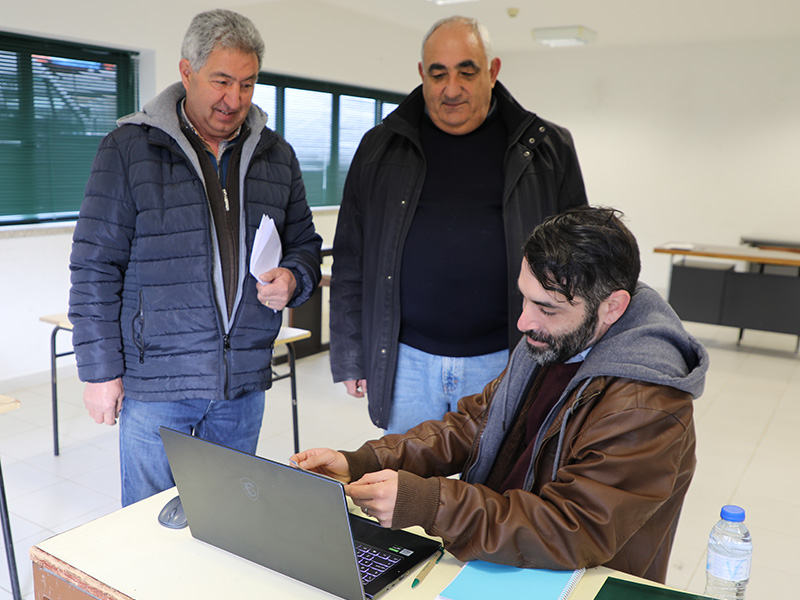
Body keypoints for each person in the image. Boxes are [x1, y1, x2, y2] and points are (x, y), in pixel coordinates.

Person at [294, 206, 708, 583]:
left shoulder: (648, 403)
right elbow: (473, 424)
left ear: (613, 307)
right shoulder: (555, 342)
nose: (525, 321)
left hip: (577, 580)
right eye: (524, 298)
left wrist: (428, 503)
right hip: (503, 552)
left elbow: (575, 528)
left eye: (547, 308)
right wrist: (361, 461)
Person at [69, 9, 322, 506]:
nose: (235, 99)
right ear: (187, 73)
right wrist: (99, 372)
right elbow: (95, 266)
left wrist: (294, 278)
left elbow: (306, 244)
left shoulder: (277, 155)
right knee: (147, 529)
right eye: (222, 81)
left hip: (243, 385)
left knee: (226, 525)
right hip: (158, 386)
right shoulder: (129, 149)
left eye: (248, 84)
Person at [330, 15, 587, 433]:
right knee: (406, 489)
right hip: (404, 362)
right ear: (422, 75)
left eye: (467, 71)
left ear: (493, 71)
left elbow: (578, 264)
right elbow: (350, 259)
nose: (452, 89)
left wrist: (566, 357)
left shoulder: (547, 149)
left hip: (506, 356)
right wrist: (349, 354)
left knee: (491, 493)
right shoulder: (380, 147)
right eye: (439, 73)